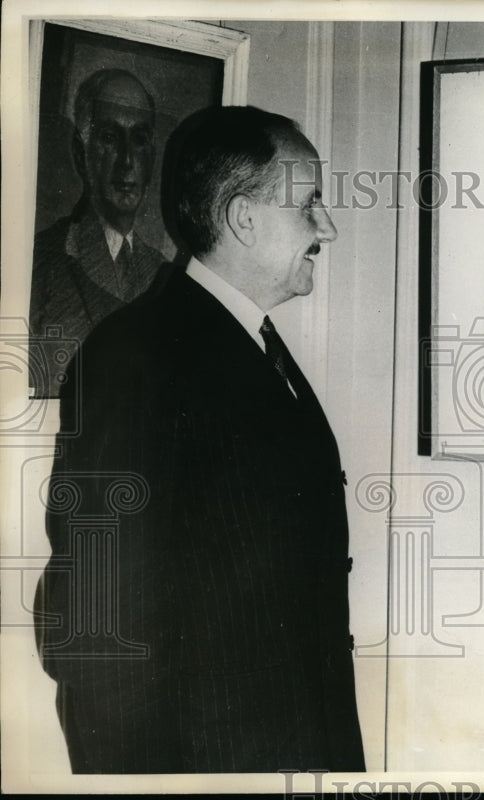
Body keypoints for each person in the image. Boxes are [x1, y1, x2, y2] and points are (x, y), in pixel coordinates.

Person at [33, 105, 366, 773]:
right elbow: (94, 631)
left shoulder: (252, 343)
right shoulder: (136, 358)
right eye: (310, 205)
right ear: (243, 218)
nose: (326, 226)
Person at [30, 69, 167, 397]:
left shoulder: (164, 271)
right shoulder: (40, 261)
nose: (127, 161)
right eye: (109, 137)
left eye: (139, 140)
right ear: (81, 153)